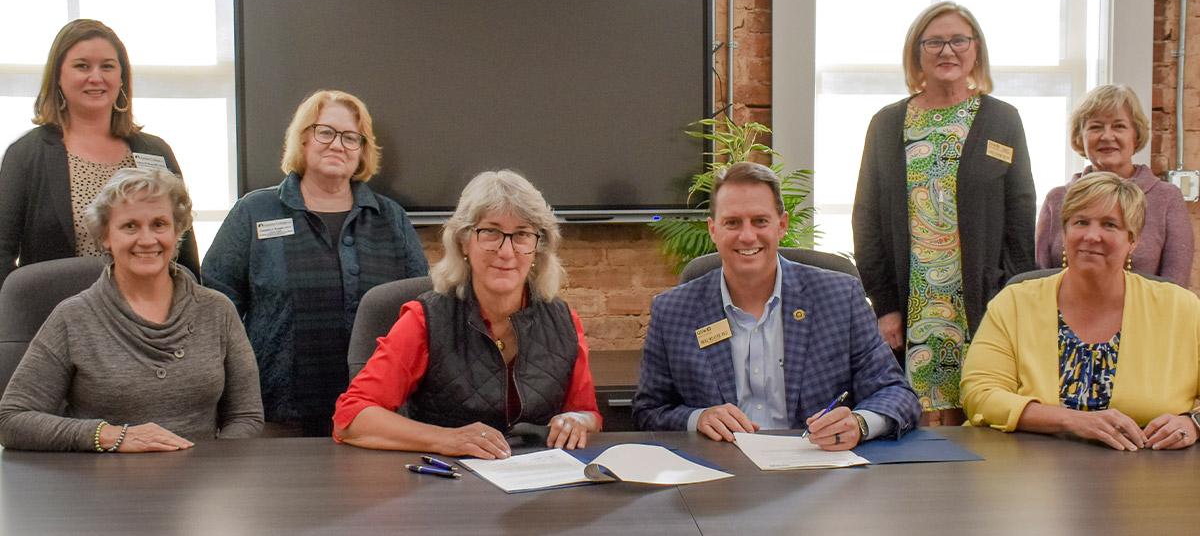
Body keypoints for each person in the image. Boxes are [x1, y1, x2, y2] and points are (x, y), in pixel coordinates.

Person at [633, 162, 919, 451]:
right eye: (732, 222)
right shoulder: (672, 311)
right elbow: (648, 412)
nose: (747, 236)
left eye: (760, 221)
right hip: (719, 474)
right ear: (713, 230)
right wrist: (698, 418)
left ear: (782, 225)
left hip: (817, 470)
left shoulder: (839, 297)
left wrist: (858, 424)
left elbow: (896, 393)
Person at [203, 90, 428, 437]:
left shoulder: (391, 219)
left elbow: (422, 309)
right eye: (326, 132)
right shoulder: (254, 212)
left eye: (351, 137)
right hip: (276, 415)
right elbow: (216, 306)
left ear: (362, 150)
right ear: (303, 138)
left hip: (376, 415)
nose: (338, 145)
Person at [852, 1, 1036, 423]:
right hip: (911, 303)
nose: (947, 51)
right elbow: (867, 218)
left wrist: (1015, 300)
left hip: (983, 303)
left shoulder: (1002, 120)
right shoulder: (887, 123)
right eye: (934, 41)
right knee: (913, 423)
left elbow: (1021, 214)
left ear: (976, 51)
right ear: (917, 53)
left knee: (982, 417)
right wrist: (885, 306)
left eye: (958, 40)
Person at [333, 170, 601, 458]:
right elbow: (351, 418)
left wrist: (578, 421)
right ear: (464, 242)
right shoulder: (425, 320)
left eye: (522, 234)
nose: (506, 251)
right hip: (449, 487)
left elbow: (588, 414)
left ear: (538, 248)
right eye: (490, 232)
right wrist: (446, 440)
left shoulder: (564, 321)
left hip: (537, 487)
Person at [0, 168, 263, 451]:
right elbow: (12, 420)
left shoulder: (217, 310)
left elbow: (245, 416)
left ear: (177, 233)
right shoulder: (73, 317)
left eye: (159, 224)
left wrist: (211, 466)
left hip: (198, 485)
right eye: (130, 226)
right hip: (100, 485)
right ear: (105, 237)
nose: (147, 239)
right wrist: (109, 436)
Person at [962, 172, 1200, 451]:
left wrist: (1194, 422)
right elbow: (980, 393)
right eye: (1081, 222)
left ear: (1132, 240)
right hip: (1028, 473)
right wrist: (1071, 421)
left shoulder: (1181, 308)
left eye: (1110, 225)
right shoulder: (1014, 302)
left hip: (1147, 476)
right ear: (1064, 233)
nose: (1092, 235)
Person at [0, 19, 200, 289]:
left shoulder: (154, 152)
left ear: (121, 77)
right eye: (82, 66)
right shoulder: (26, 155)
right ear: (58, 75)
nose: (96, 77)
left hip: (147, 322)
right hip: (57, 319)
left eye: (107, 66)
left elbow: (184, 254)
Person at [1036, 85, 1192, 286]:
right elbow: (1040, 283)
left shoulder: (1167, 198)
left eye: (1119, 126)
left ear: (1136, 136)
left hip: (1144, 316)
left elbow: (1176, 289)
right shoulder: (1056, 199)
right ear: (1079, 137)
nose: (1107, 136)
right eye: (1095, 127)